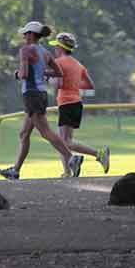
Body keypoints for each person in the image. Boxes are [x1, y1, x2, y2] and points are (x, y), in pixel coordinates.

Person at [0, 21, 84, 180]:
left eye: (25, 33)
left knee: (45, 132)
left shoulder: (25, 50)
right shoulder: (45, 52)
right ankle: (15, 170)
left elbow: (23, 75)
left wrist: (17, 74)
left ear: (31, 34)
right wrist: (41, 73)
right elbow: (58, 73)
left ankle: (72, 158)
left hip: (31, 94)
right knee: (24, 134)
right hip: (41, 94)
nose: (24, 36)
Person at [48, 32, 110, 176]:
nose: (55, 49)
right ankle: (67, 172)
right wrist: (74, 84)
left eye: (56, 46)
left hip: (66, 103)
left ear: (60, 47)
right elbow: (90, 85)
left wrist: (50, 79)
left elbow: (58, 84)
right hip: (76, 103)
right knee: (65, 139)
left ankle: (99, 154)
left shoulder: (59, 63)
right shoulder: (78, 64)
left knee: (63, 142)